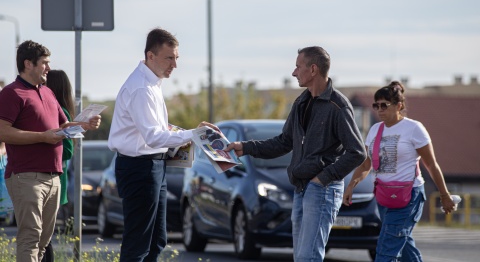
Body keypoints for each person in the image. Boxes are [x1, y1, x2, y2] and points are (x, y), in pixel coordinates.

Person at [226, 46, 367, 262]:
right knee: (302, 257)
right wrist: (245, 147)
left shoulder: (338, 106)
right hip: (301, 188)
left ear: (313, 69)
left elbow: (357, 152)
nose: (293, 73)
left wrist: (323, 179)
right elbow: (283, 142)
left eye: (297, 67)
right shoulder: (301, 102)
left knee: (307, 257)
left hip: (323, 190)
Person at [108, 27, 219, 262]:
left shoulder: (152, 83)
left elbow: (158, 130)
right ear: (151, 55)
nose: (175, 65)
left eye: (176, 58)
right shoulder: (141, 88)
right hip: (139, 168)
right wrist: (194, 134)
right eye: (169, 58)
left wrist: (190, 132)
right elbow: (154, 137)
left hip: (153, 167)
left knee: (156, 240)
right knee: (138, 244)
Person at [0, 40, 101, 262]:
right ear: (28, 64)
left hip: (54, 177)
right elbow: (3, 132)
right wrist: (42, 137)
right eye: (44, 63)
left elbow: (65, 127)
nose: (48, 67)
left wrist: (85, 124)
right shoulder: (11, 93)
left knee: (44, 243)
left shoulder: (47, 92)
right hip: (26, 177)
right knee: (30, 238)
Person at [342, 81, 456, 262]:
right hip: (384, 196)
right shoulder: (374, 130)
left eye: (384, 105)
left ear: (399, 106)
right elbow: (365, 165)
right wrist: (351, 186)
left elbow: (431, 165)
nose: (379, 109)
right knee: (403, 244)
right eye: (376, 105)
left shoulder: (414, 128)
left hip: (408, 196)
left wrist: (444, 195)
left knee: (386, 248)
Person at [41, 70, 76, 262]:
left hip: (55, 178)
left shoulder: (60, 110)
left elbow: (68, 150)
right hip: (53, 179)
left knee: (44, 237)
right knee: (43, 236)